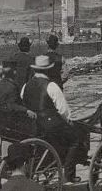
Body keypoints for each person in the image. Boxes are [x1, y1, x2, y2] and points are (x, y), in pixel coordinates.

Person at [20, 55, 88, 183]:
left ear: (35, 70)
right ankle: (69, 174)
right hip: (49, 126)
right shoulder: (51, 86)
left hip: (33, 125)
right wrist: (69, 122)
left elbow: (23, 101)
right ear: (48, 70)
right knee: (75, 139)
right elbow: (64, 111)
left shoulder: (26, 85)